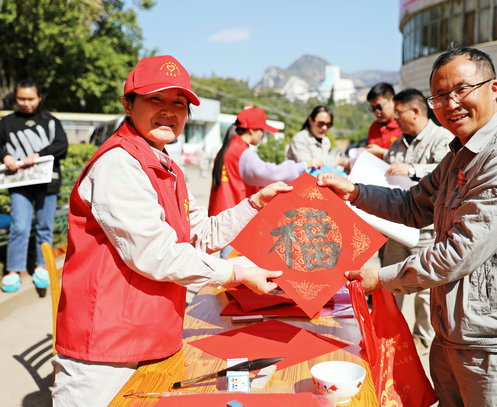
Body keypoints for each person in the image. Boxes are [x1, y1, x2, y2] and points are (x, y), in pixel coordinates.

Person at [318, 46, 497, 406]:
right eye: (441, 95)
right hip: (454, 339)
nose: (451, 103)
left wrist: (379, 279)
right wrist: (354, 192)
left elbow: (458, 254)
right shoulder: (458, 155)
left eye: (462, 89)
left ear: (494, 88)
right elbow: (412, 205)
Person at [51, 55, 290, 406]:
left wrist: (255, 205)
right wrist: (237, 272)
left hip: (152, 338)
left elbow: (201, 234)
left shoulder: (167, 166)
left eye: (179, 103)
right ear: (127, 105)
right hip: (105, 352)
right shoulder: (119, 162)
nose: (168, 110)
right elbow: (156, 253)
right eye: (155, 99)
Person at [382, 88, 453, 354]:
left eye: (398, 113)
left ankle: (423, 337)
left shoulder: (442, 138)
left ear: (415, 111)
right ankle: (388, 332)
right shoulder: (396, 146)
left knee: (426, 289)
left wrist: (412, 170)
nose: (394, 118)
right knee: (389, 282)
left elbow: (447, 167)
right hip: (397, 227)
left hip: (428, 228)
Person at [208, 107, 322, 258]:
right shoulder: (244, 154)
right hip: (235, 218)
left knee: (229, 261)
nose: (262, 135)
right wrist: (304, 165)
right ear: (251, 131)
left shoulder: (228, 149)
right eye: (261, 131)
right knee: (233, 263)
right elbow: (269, 173)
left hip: (223, 214)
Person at [0, 79, 68, 293]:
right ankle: (13, 270)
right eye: (21, 98)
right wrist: (5, 156)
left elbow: (61, 146)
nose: (26, 103)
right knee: (20, 226)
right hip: (20, 183)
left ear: (39, 98)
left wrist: (39, 155)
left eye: (31, 98)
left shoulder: (51, 121)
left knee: (45, 226)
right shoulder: (7, 122)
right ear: (16, 98)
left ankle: (42, 266)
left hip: (47, 182)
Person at [364, 82, 402, 158]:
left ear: (392, 101)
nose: (376, 112)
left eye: (379, 107)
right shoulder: (373, 128)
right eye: (373, 108)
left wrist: (382, 152)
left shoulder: (403, 126)